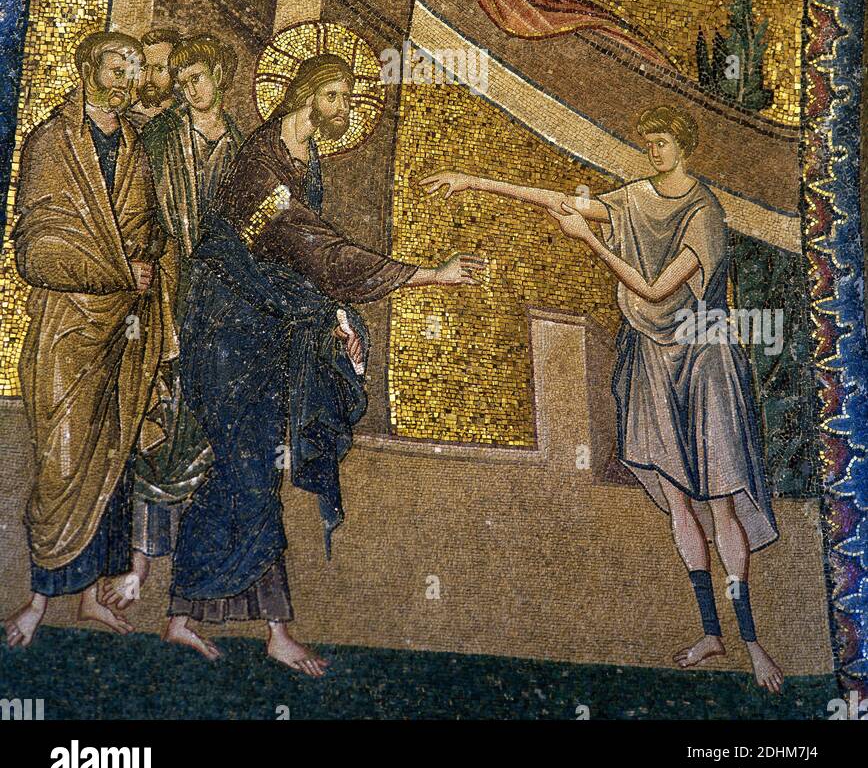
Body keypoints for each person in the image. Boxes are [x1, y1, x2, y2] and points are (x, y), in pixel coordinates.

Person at [422, 104, 783, 694]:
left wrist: (589, 238)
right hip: (651, 358)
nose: (654, 152)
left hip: (702, 358)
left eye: (662, 142)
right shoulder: (638, 196)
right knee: (677, 498)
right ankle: (711, 630)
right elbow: (562, 200)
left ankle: (752, 641)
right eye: (649, 142)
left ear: (683, 146)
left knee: (720, 502)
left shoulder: (705, 213)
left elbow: (652, 287)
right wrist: (477, 181)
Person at [166, 52, 485, 671]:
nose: (346, 107)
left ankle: (191, 616)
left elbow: (301, 261)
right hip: (225, 329)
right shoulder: (265, 163)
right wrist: (427, 275)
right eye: (336, 94)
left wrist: (335, 318)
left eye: (348, 95)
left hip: (263, 327)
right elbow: (319, 253)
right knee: (248, 466)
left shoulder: (305, 160)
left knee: (245, 467)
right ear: (307, 94)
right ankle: (269, 632)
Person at [3, 32, 170, 648]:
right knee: (63, 464)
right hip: (68, 329)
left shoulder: (131, 145)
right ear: (86, 68)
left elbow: (144, 229)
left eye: (135, 68)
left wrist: (144, 260)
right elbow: (37, 246)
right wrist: (119, 269)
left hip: (122, 331)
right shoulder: (52, 142)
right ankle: (39, 602)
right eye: (115, 66)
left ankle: (93, 597)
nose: (128, 78)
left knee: (113, 459)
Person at [104, 34, 245, 610]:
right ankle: (138, 565)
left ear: (219, 77)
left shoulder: (244, 148)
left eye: (196, 80)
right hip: (164, 295)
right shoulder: (159, 139)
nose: (187, 92)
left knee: (210, 433)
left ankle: (194, 586)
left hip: (223, 305)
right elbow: (137, 210)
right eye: (180, 83)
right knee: (156, 424)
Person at [126, 25, 183, 130]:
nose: (148, 78)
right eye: (143, 68)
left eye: (159, 69)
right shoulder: (124, 118)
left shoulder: (184, 120)